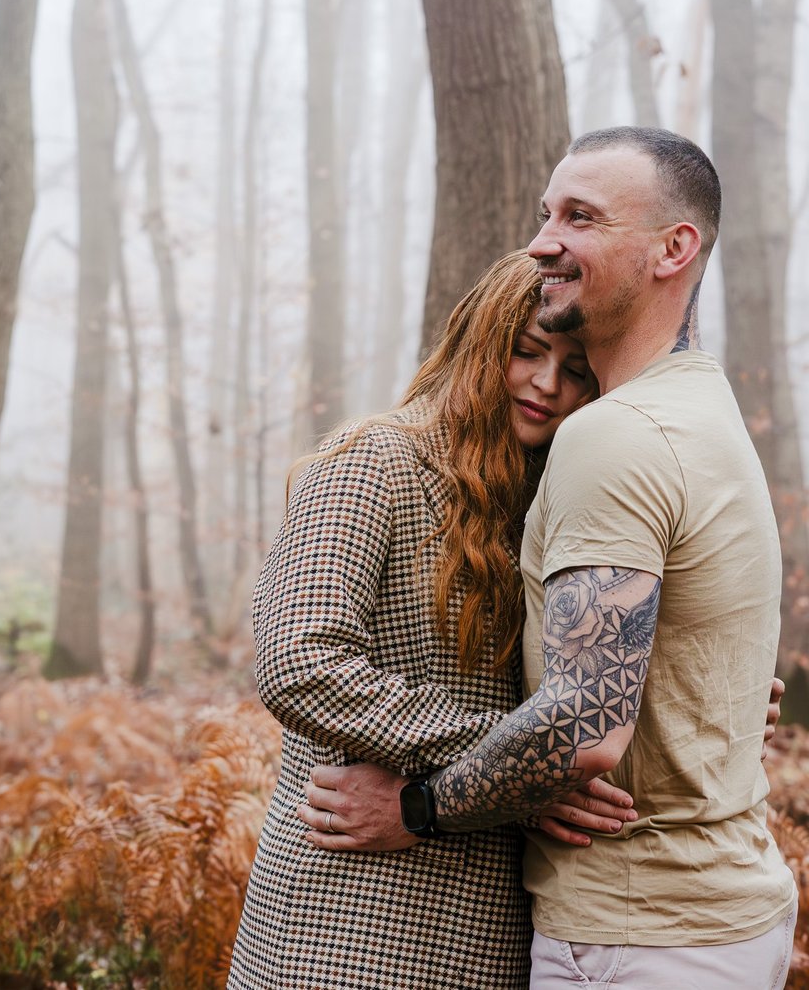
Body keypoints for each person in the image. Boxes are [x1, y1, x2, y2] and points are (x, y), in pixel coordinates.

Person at [304, 127, 796, 990]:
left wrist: (415, 807)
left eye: (581, 216)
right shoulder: (699, 405)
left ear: (673, 248)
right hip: (701, 918)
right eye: (546, 213)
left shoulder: (616, 437)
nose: (542, 241)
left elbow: (580, 727)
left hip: (638, 936)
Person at [228, 251, 635, 990]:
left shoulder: (554, 504)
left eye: (576, 371)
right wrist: (526, 757)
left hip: (489, 921)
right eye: (528, 352)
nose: (548, 384)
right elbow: (300, 661)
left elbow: (589, 678)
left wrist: (713, 691)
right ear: (483, 342)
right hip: (344, 915)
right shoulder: (370, 460)